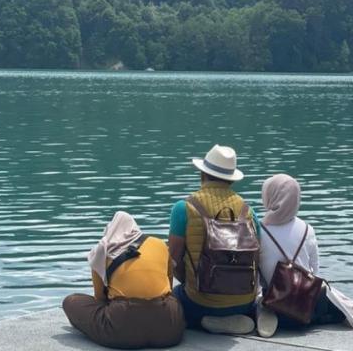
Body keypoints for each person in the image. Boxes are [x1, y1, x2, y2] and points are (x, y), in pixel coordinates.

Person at [257, 174, 353, 337]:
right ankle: (320, 317)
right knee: (330, 296)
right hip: (306, 307)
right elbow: (315, 271)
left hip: (275, 304)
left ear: (269, 197)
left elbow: (256, 274)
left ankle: (265, 314)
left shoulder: (258, 231)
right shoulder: (307, 229)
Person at [168, 144, 261, 334]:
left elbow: (172, 261)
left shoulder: (183, 208)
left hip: (199, 302)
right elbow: (257, 258)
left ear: (202, 174)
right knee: (253, 302)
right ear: (231, 180)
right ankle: (250, 314)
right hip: (243, 302)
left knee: (175, 297)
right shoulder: (249, 212)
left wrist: (188, 281)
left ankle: (203, 320)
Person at [62, 211, 185, 349]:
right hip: (169, 330)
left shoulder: (103, 251)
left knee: (70, 301)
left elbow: (100, 299)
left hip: (122, 332)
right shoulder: (159, 244)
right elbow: (169, 288)